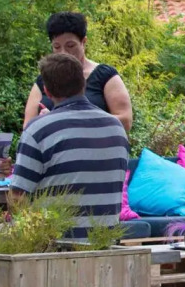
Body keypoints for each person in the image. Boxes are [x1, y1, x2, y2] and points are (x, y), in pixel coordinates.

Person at [9, 53, 130, 238]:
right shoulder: (117, 128)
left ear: (47, 92)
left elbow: (18, 198)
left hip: (56, 246)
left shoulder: (38, 130)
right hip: (106, 244)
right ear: (84, 84)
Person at [23, 12, 132, 134]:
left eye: (70, 45)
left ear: (83, 42)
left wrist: (65, 121)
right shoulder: (44, 80)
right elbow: (28, 126)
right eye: (57, 47)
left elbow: (125, 121)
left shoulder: (105, 76)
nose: (63, 52)